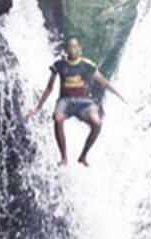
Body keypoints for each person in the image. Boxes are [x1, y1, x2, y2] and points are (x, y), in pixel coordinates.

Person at [25, 37, 126, 167]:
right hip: (65, 101)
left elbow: (104, 82)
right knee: (58, 119)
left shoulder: (87, 64)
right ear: (66, 50)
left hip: (84, 102)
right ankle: (64, 157)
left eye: (75, 47)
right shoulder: (59, 65)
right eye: (70, 47)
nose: (72, 50)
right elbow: (49, 87)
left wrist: (120, 96)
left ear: (79, 49)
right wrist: (37, 108)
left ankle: (83, 156)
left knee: (97, 123)